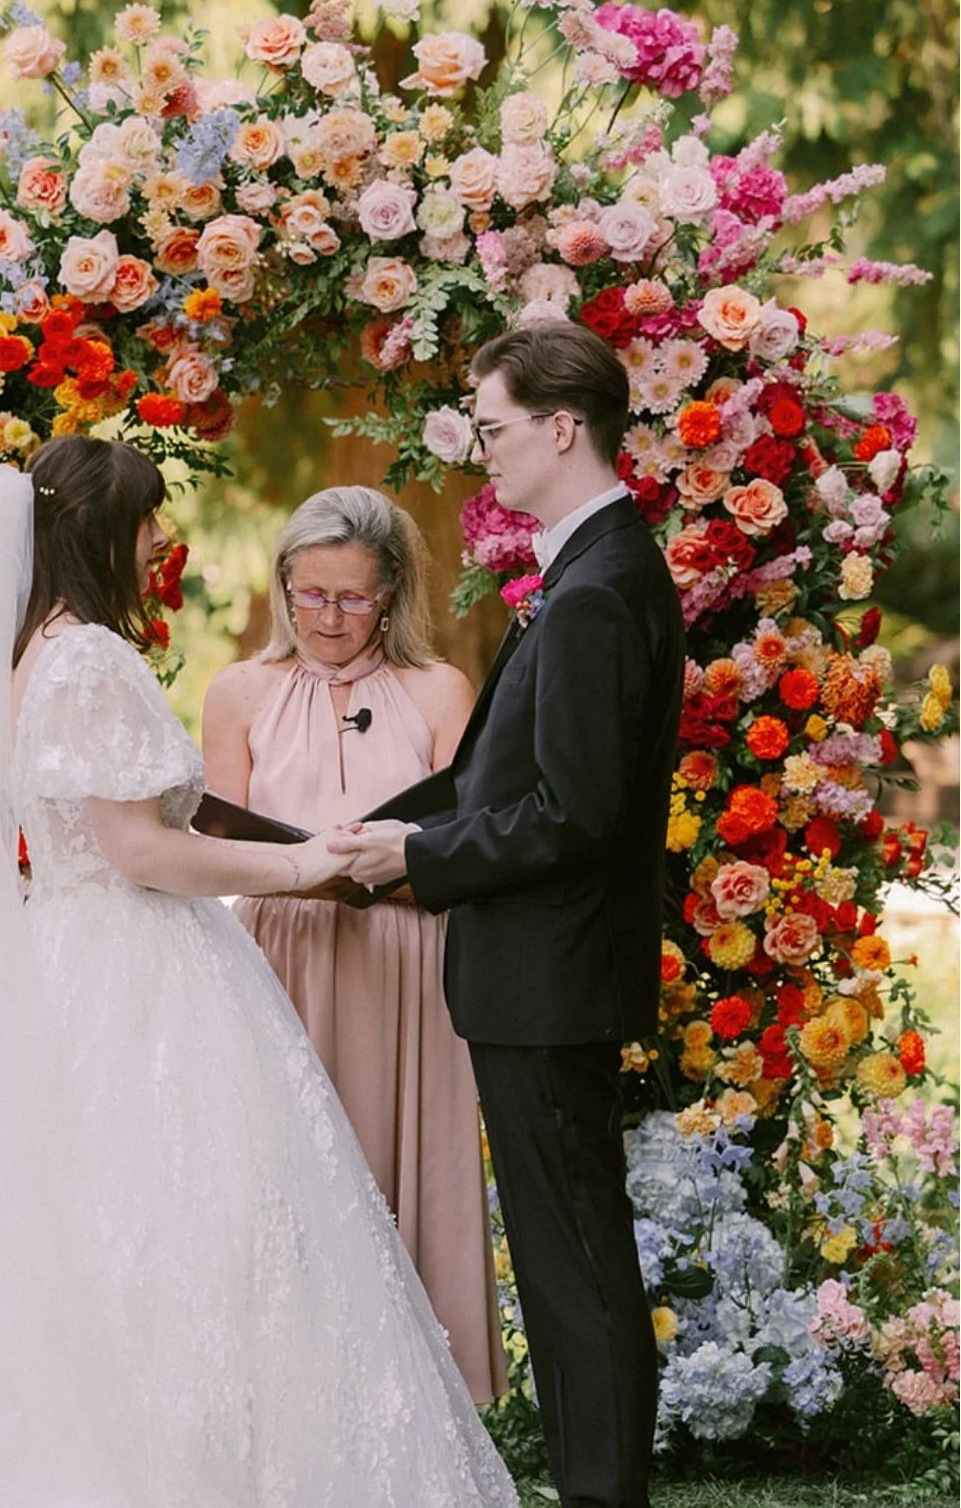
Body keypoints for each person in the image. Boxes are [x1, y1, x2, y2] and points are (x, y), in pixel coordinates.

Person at [0, 440, 518, 1508]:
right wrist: (305, 864)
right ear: (100, 532)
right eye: (148, 518)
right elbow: (142, 851)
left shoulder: (31, 652)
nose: (162, 537)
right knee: (172, 1219)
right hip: (138, 963)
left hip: (71, 953)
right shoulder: (91, 660)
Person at [332, 323, 686, 1508]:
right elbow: (510, 776)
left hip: (550, 970)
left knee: (573, 1256)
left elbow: (573, 812)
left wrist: (419, 855)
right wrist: (383, 829)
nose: (481, 451)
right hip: (547, 967)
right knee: (566, 1248)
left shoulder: (596, 592)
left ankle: (601, 1491)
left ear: (561, 427)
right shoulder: (596, 570)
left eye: (492, 428)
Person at [202, 486, 507, 1406]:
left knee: (400, 1165)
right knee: (289, 1170)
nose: (328, 618)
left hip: (404, 956)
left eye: (352, 598)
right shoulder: (238, 692)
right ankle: (292, 1394)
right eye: (310, 594)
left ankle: (419, 1404)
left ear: (393, 594)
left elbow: (471, 842)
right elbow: (219, 845)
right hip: (282, 955)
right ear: (283, 586)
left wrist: (392, 867)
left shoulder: (439, 691)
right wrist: (300, 869)